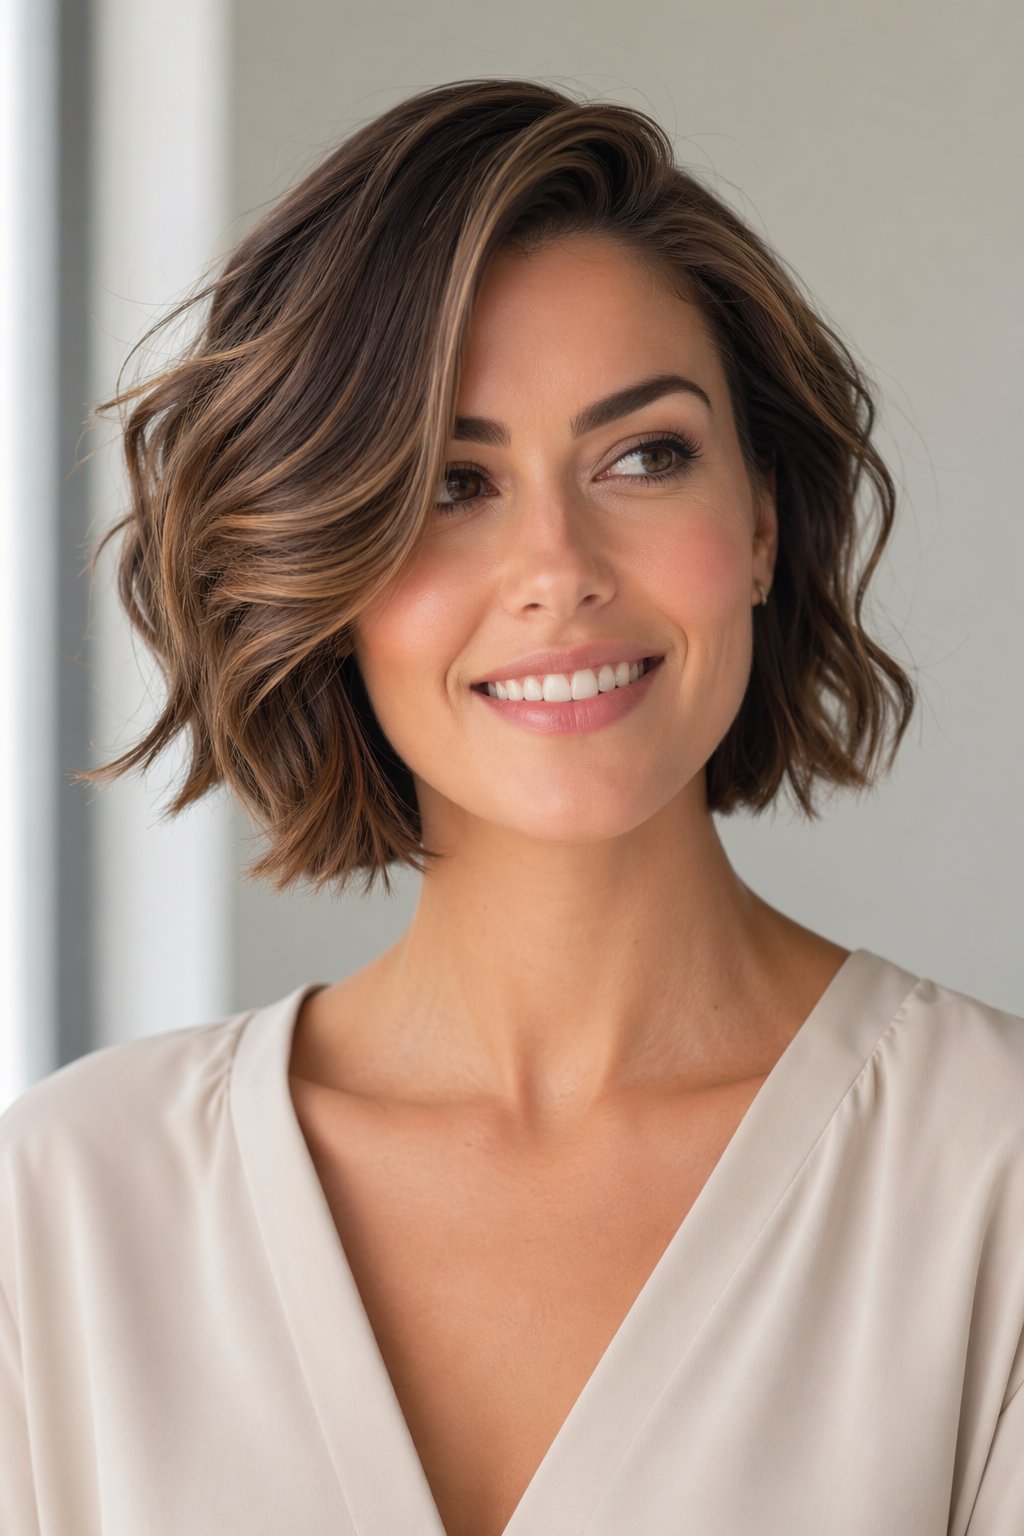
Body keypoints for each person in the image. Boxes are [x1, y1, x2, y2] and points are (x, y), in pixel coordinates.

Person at [1, 77, 1021, 1536]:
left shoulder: (991, 1176)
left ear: (761, 523)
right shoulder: (71, 1207)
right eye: (450, 483)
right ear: (326, 563)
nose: (559, 569)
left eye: (644, 456)